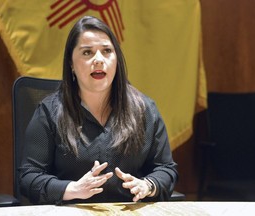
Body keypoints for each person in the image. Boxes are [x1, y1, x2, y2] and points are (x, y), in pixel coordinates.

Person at [19, 16, 178, 205]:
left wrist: (148, 185)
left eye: (107, 51)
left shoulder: (145, 110)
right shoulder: (49, 112)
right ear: (71, 63)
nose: (99, 60)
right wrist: (71, 189)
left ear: (117, 59)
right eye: (87, 52)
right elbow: (29, 177)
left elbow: (166, 169)